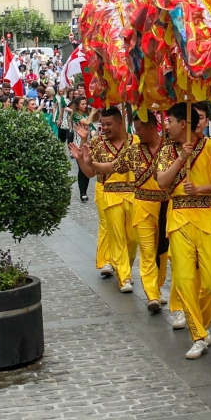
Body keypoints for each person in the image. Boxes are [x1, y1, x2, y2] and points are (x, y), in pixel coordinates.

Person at [155, 102, 211, 356]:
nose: (167, 126)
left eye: (170, 121)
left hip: (207, 216)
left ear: (183, 124)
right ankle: (198, 334)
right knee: (184, 280)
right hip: (178, 219)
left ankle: (203, 324)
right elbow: (162, 182)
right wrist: (181, 158)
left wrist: (200, 189)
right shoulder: (167, 150)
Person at [69, 107, 143, 294]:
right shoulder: (97, 144)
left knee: (133, 238)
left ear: (121, 123)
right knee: (116, 237)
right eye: (102, 124)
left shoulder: (136, 141)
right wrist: (79, 159)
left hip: (135, 195)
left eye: (108, 124)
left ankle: (125, 265)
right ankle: (124, 276)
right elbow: (90, 173)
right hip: (109, 195)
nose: (104, 128)